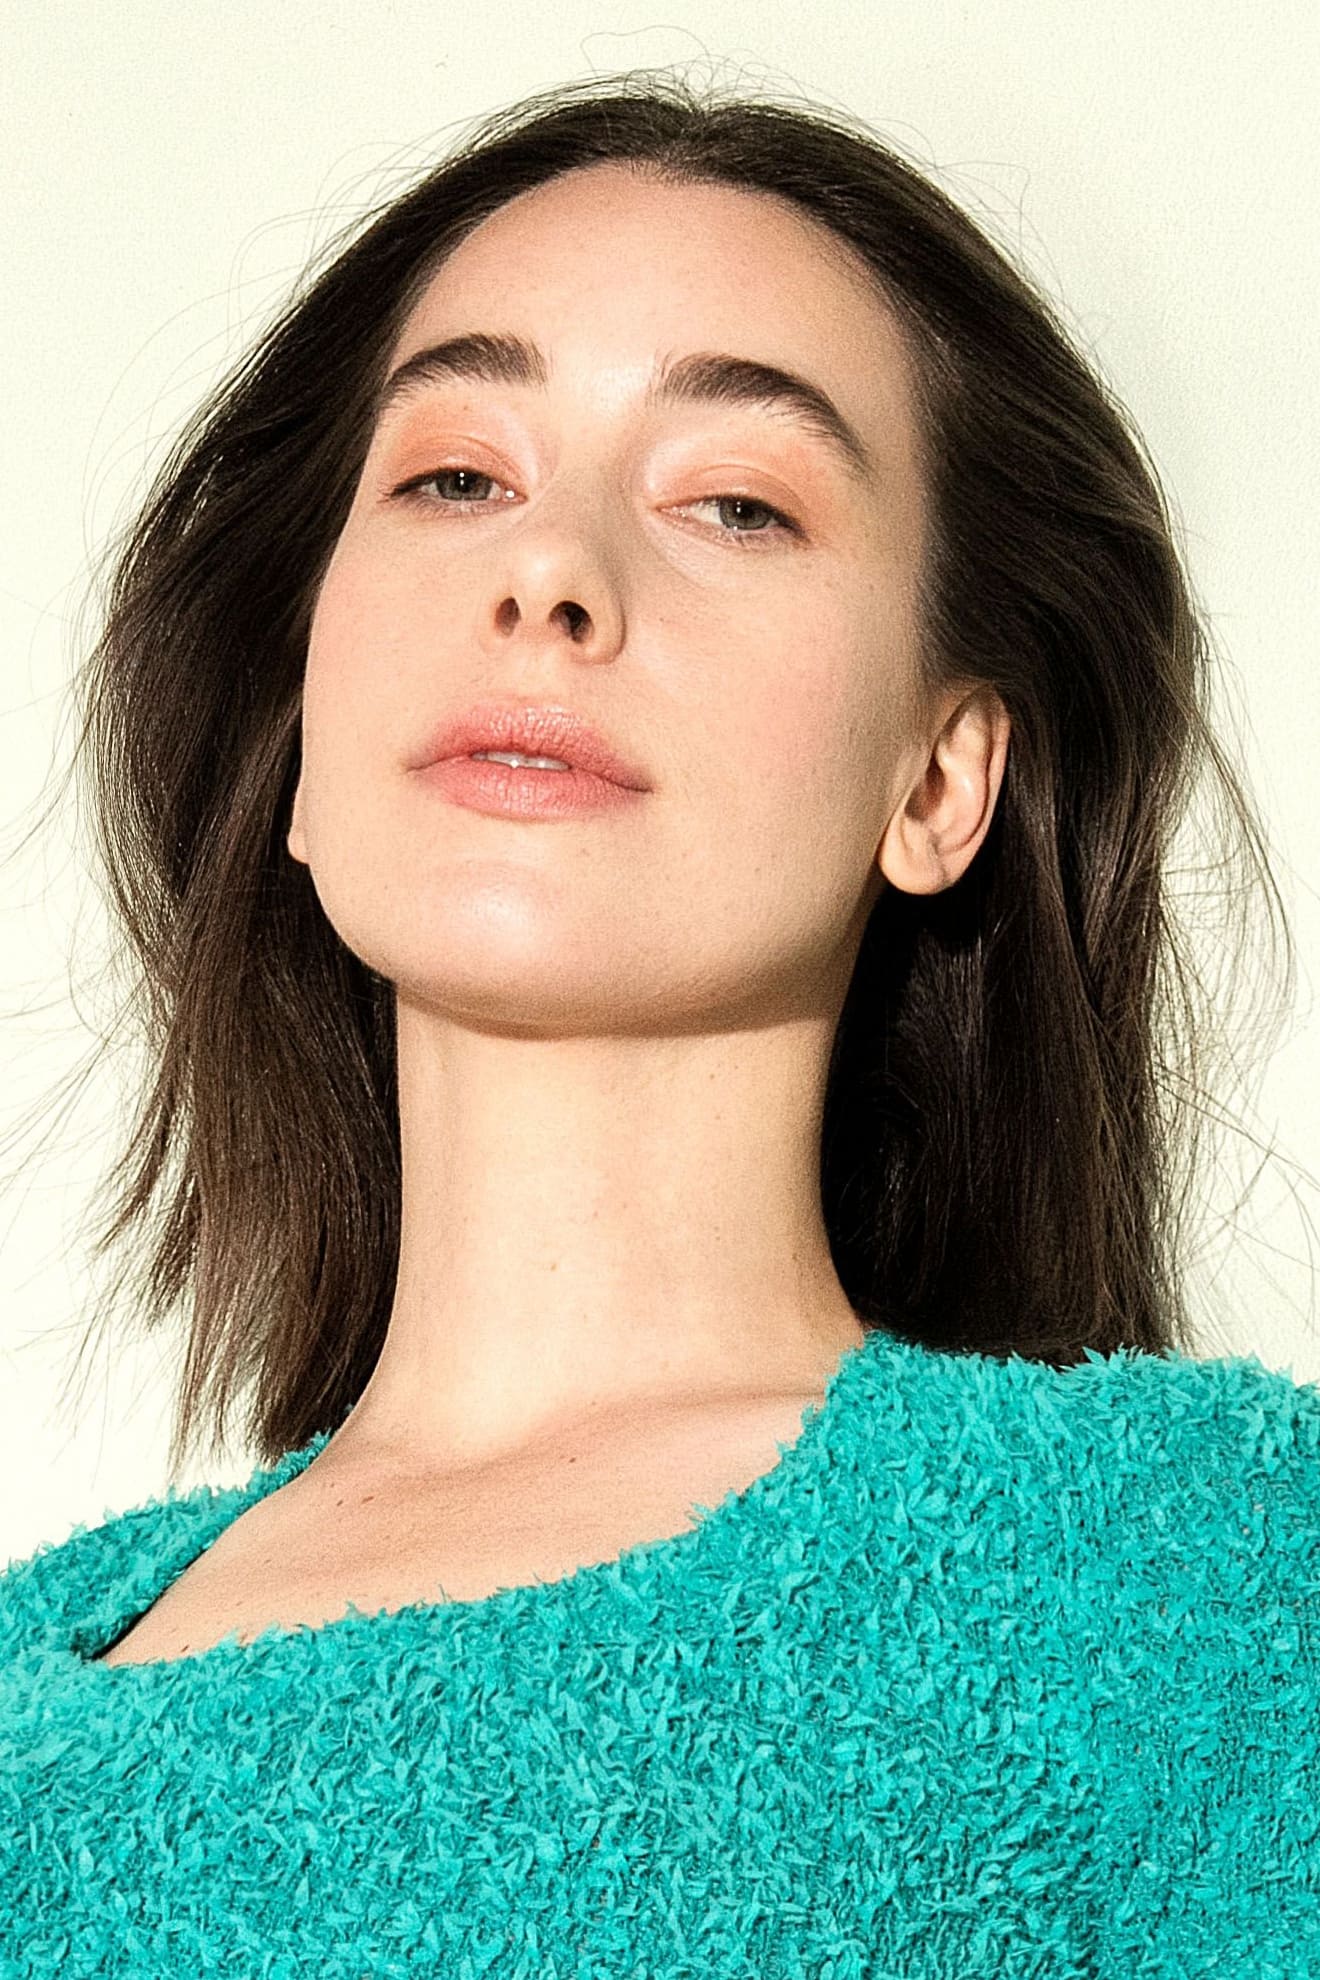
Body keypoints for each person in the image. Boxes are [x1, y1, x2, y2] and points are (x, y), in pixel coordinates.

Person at [1, 69, 1315, 1976]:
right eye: (456, 476)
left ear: (940, 779)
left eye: (737, 502)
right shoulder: (35, 1689)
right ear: (300, 733)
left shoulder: (1205, 1577)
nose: (546, 572)